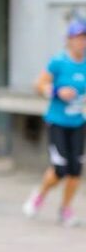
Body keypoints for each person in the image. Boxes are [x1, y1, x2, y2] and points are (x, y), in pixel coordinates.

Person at [23, 19, 86, 227]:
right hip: (57, 122)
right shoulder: (58, 62)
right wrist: (58, 91)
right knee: (60, 168)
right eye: (78, 38)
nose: (82, 42)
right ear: (69, 40)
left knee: (75, 170)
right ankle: (39, 195)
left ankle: (65, 209)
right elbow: (38, 85)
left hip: (78, 123)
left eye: (84, 38)